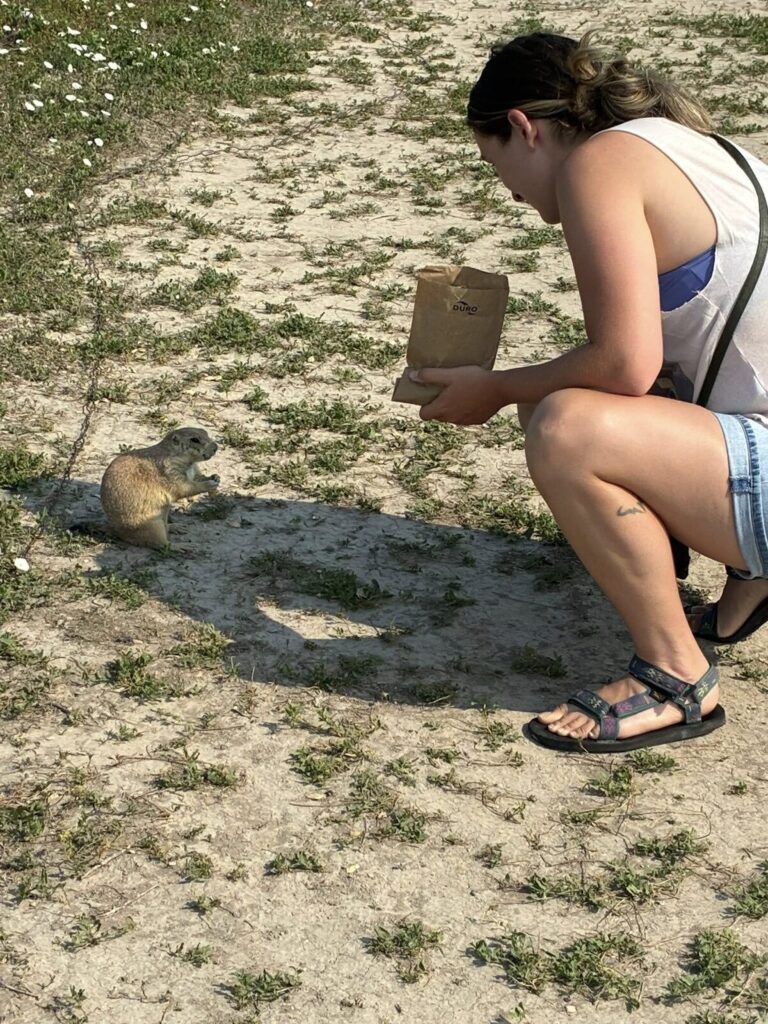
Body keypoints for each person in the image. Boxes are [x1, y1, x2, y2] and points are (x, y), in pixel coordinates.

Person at [408, 31, 768, 752]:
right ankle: (747, 578)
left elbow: (627, 363)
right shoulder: (699, 147)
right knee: (567, 399)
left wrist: (497, 388)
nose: (508, 192)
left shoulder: (598, 165)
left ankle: (675, 677)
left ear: (523, 128)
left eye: (496, 165)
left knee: (567, 424)